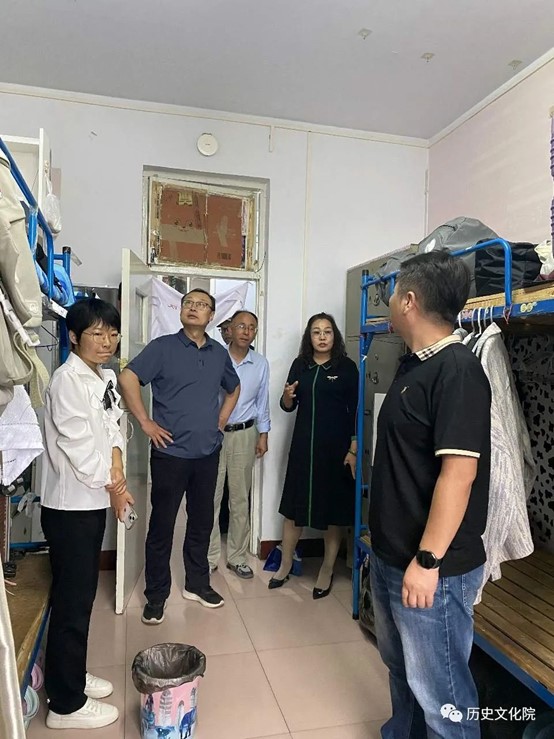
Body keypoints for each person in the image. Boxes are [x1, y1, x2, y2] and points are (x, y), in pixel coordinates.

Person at [369, 252, 491, 738]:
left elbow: (459, 476)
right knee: (403, 672)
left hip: (430, 567)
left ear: (410, 301)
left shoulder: (457, 370)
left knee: (444, 698)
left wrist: (427, 560)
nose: (389, 301)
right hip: (391, 554)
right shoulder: (414, 365)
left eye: (393, 292)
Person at [118, 288, 240, 623]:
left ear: (211, 316)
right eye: (188, 303)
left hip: (207, 452)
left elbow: (233, 388)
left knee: (201, 522)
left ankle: (197, 585)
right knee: (162, 525)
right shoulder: (163, 348)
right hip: (169, 453)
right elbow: (127, 378)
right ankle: (156, 595)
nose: (193, 308)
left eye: (201, 305)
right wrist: (145, 422)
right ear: (181, 310)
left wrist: (221, 420)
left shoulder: (218, 353)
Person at [40, 298, 134, 730]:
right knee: (72, 603)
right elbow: (80, 451)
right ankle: (65, 704)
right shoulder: (66, 382)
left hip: (92, 502)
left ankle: (71, 676)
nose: (106, 341)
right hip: (70, 508)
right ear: (74, 337)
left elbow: (114, 427)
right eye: (96, 333)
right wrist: (117, 484)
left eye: (112, 333)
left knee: (81, 598)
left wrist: (116, 467)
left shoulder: (103, 376)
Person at [269, 312, 358, 598]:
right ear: (309, 337)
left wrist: (353, 449)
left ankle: (327, 569)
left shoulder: (346, 368)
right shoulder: (301, 365)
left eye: (327, 331)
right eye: (316, 332)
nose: (321, 337)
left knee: (332, 513)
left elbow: (356, 411)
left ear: (335, 336)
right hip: (303, 448)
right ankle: (285, 565)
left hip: (335, 450)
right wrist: (286, 397)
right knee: (293, 510)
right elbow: (287, 406)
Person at [208, 310, 270, 578]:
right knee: (211, 497)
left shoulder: (260, 363)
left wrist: (263, 434)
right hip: (214, 434)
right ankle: (209, 556)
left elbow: (262, 401)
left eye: (251, 327)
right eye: (241, 326)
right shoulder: (215, 357)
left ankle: (237, 556)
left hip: (245, 433)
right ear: (230, 330)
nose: (246, 331)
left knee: (240, 498)